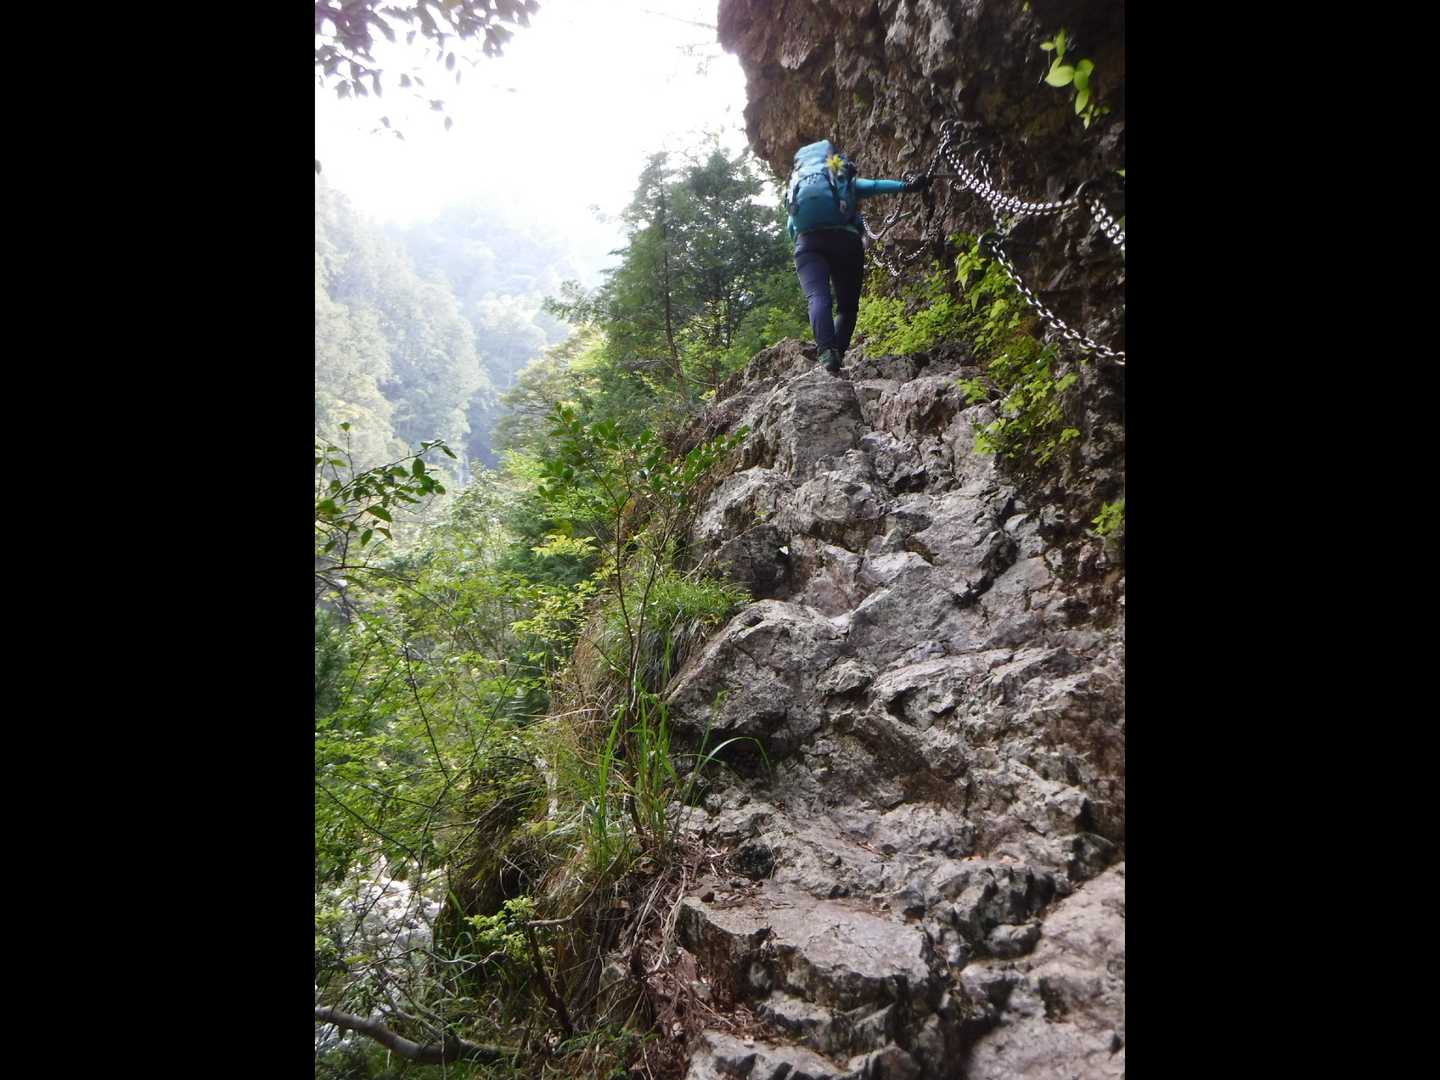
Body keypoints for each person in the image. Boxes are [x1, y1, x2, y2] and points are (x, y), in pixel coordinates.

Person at [786, 140, 931, 374]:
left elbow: (791, 226)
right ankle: (836, 355)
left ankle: (826, 351)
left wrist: (805, 244)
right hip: (846, 242)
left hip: (808, 245)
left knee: (817, 297)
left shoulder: (796, 186)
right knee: (847, 308)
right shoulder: (840, 179)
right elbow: (874, 185)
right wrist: (908, 186)